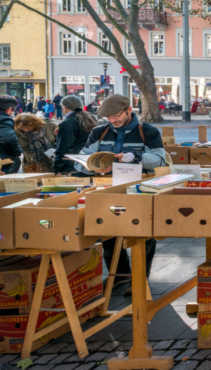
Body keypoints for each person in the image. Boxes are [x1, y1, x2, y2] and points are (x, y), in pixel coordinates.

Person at [77, 94, 167, 286]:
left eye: (116, 116)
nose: (113, 120)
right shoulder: (98, 132)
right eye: (108, 118)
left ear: (129, 110)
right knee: (107, 230)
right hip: (107, 188)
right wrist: (92, 166)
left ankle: (141, 278)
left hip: (140, 189)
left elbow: (160, 160)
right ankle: (119, 276)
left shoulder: (147, 131)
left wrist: (134, 156)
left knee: (144, 232)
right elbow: (82, 160)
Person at [54, 95, 96, 175]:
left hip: (72, 164)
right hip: (88, 162)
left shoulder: (67, 123)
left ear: (65, 107)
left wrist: (57, 169)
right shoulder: (89, 119)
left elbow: (64, 147)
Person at [0, 96, 23, 174]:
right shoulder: (4, 119)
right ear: (9, 109)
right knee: (15, 161)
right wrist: (17, 153)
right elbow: (7, 139)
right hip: (2, 156)